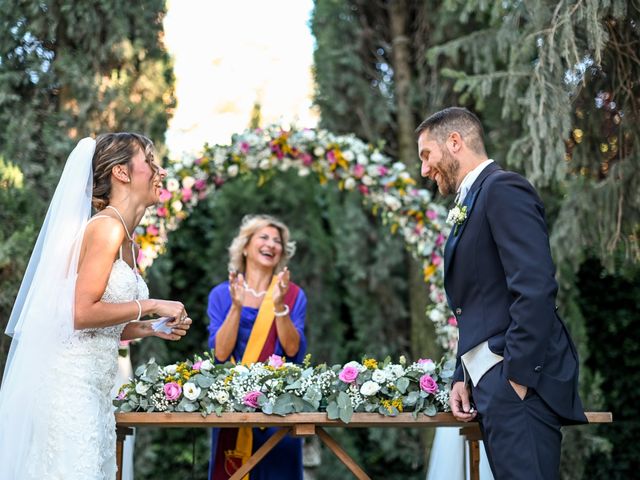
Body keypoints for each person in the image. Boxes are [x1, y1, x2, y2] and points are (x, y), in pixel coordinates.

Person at [0, 133, 193, 479]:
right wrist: (150, 304)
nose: (159, 171)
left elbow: (101, 320)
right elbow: (80, 313)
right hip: (69, 389)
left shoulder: (125, 237)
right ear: (121, 172)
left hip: (97, 391)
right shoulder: (106, 230)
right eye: (149, 161)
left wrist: (151, 327)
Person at [416, 107, 587, 479]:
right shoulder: (473, 198)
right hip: (490, 386)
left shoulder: (503, 188)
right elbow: (479, 301)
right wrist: (463, 375)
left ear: (455, 142)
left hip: (516, 382)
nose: (424, 169)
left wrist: (517, 377)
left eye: (426, 155)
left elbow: (535, 286)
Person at [207, 214, 307, 480]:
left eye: (277, 241)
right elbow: (220, 353)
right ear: (245, 246)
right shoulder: (221, 294)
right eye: (264, 237)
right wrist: (236, 307)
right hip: (233, 410)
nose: (271, 244)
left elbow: (293, 349)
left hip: (279, 413)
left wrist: (278, 307)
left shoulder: (293, 294)